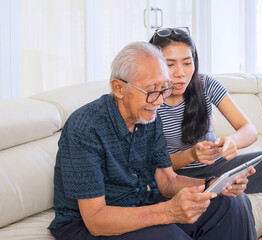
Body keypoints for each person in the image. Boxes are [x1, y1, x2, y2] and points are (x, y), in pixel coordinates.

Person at [48, 41, 247, 240]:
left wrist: (213, 185)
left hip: (138, 203)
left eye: (164, 89)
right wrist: (167, 212)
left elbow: (168, 182)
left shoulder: (149, 116)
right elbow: (96, 220)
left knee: (224, 204)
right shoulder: (85, 127)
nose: (160, 101)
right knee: (170, 236)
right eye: (152, 90)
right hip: (86, 225)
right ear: (118, 88)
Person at [150, 27, 262, 240]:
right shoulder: (151, 102)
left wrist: (231, 141)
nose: (180, 73)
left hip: (218, 168)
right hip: (178, 177)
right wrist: (192, 155)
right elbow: (157, 170)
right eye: (170, 65)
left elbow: (249, 130)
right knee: (237, 201)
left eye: (187, 63)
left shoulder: (206, 85)